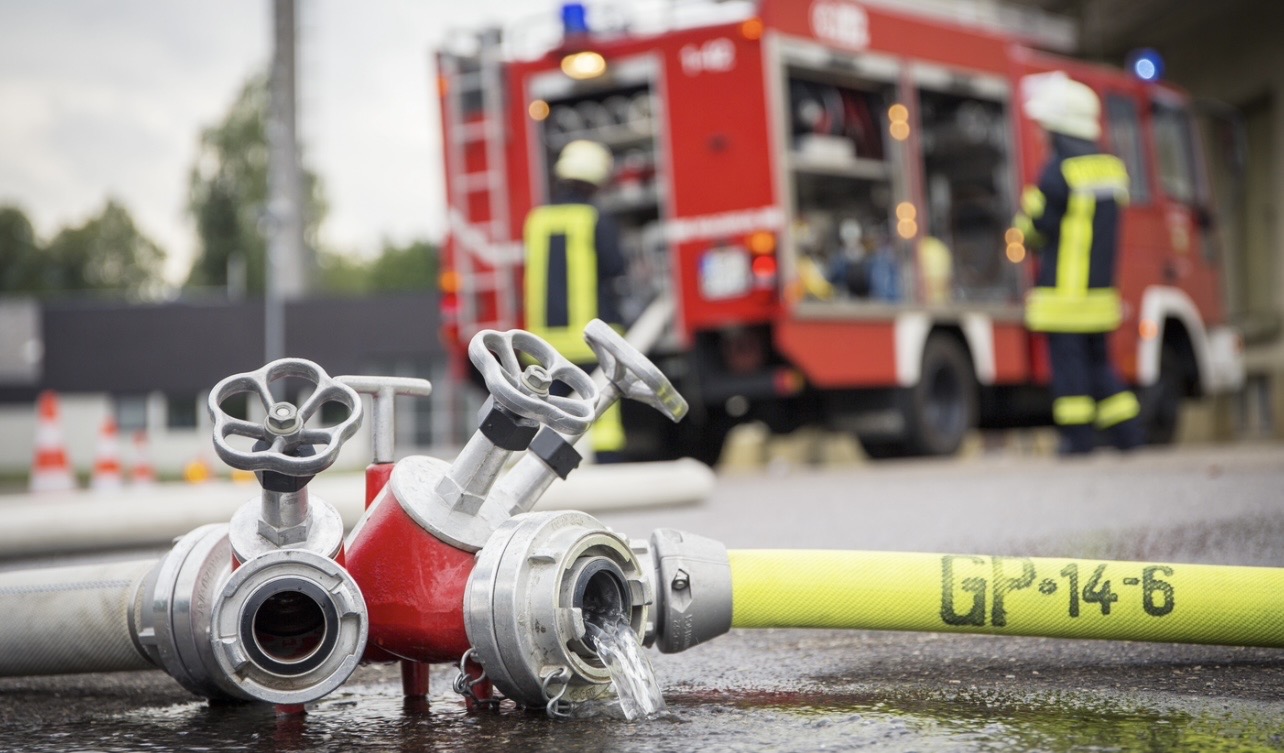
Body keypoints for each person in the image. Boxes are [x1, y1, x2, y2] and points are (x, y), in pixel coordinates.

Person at [1013, 72, 1143, 454]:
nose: (1042, 134)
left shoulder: (1057, 174)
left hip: (1065, 295)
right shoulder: (1112, 169)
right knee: (1102, 366)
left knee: (1070, 374)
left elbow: (1036, 230)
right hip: (1099, 294)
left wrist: (1027, 214)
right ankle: (1129, 435)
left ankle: (1078, 440)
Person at [523, 139, 627, 459]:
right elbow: (615, 267)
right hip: (591, 339)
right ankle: (608, 467)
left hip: (546, 344)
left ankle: (544, 474)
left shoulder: (537, 220)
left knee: (552, 415)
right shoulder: (594, 218)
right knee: (601, 412)